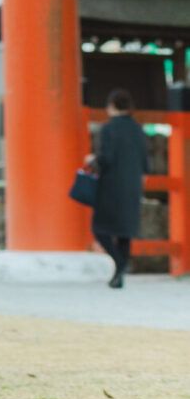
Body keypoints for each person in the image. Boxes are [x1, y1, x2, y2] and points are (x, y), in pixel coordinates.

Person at [85, 88, 149, 289]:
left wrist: (91, 160)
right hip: (132, 183)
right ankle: (118, 275)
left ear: (111, 106)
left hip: (111, 184)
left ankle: (120, 263)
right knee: (124, 231)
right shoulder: (138, 129)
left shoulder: (108, 128)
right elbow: (145, 161)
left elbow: (107, 158)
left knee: (99, 228)